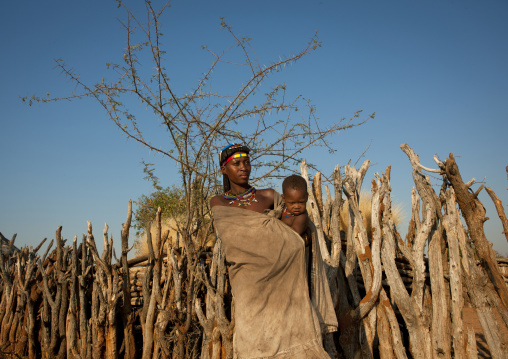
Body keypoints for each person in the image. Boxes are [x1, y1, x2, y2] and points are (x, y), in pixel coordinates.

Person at [210, 143, 337, 359]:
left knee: (292, 336)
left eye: (247, 162)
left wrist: (294, 241)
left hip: (284, 283)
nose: (244, 167)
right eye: (237, 163)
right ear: (224, 169)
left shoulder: (268, 195)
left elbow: (296, 220)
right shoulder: (218, 203)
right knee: (252, 339)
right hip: (248, 285)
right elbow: (234, 242)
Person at [280, 174, 309, 239]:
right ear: (284, 199)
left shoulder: (301, 217)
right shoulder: (283, 209)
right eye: (292, 203)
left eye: (301, 202)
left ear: (306, 197)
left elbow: (293, 236)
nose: (296, 206)